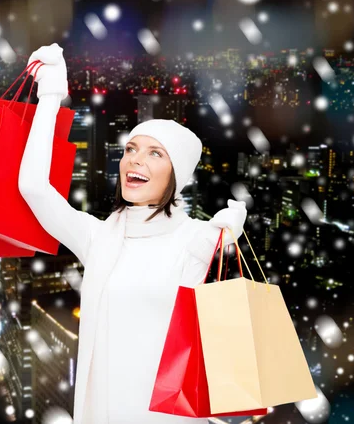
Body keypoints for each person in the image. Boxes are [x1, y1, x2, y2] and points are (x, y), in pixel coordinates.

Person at [19, 43, 248, 424]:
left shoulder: (196, 239)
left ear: (177, 177)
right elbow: (33, 189)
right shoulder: (99, 238)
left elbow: (217, 350)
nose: (136, 159)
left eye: (156, 153)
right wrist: (51, 94)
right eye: (131, 149)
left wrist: (221, 250)